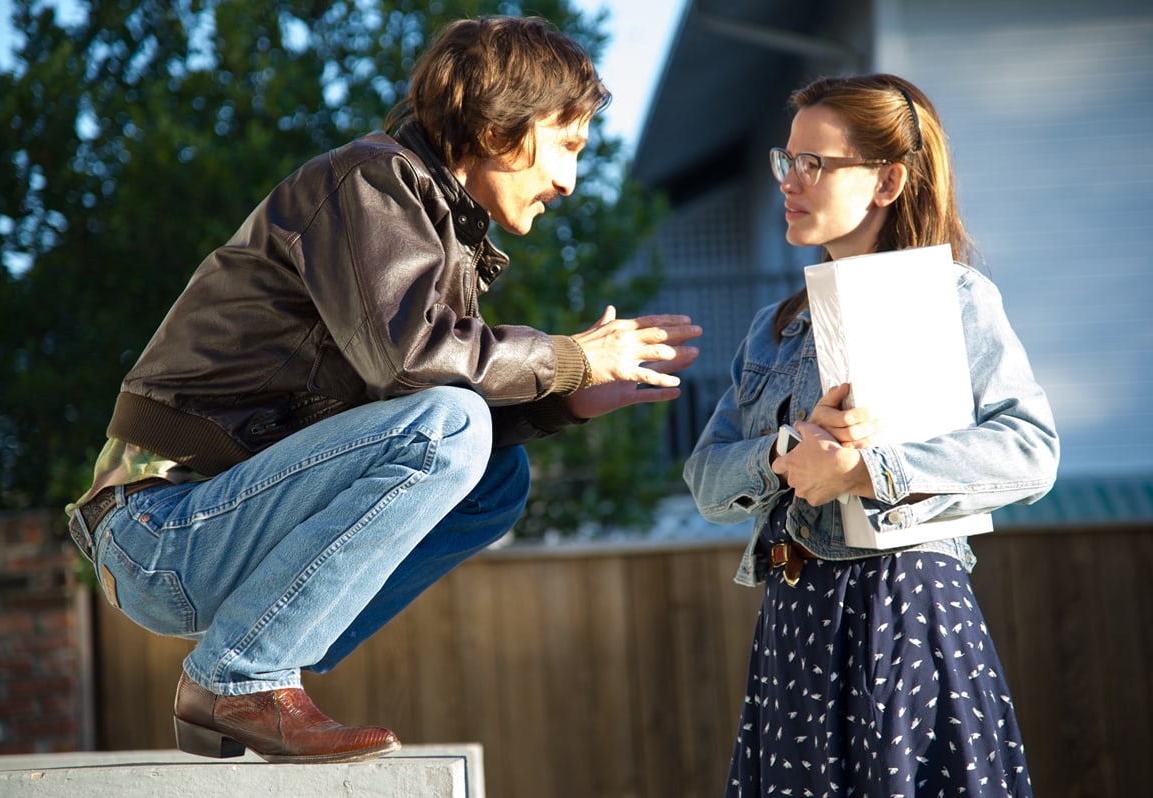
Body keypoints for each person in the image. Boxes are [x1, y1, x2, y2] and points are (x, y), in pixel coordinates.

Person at [65, 15, 700, 765]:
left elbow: (403, 399)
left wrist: (565, 400)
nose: (568, 180)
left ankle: (265, 657)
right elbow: (416, 367)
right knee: (456, 424)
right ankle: (241, 676)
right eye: (566, 146)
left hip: (225, 520)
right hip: (159, 529)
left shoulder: (434, 228)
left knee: (496, 479)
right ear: (502, 127)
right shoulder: (368, 183)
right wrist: (569, 359)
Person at [683, 73, 1057, 797]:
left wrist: (864, 472)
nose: (790, 181)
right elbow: (705, 478)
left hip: (909, 607)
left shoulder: (958, 298)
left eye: (814, 164)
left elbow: (1030, 451)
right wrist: (790, 450)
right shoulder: (774, 328)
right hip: (794, 621)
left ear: (886, 182)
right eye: (786, 160)